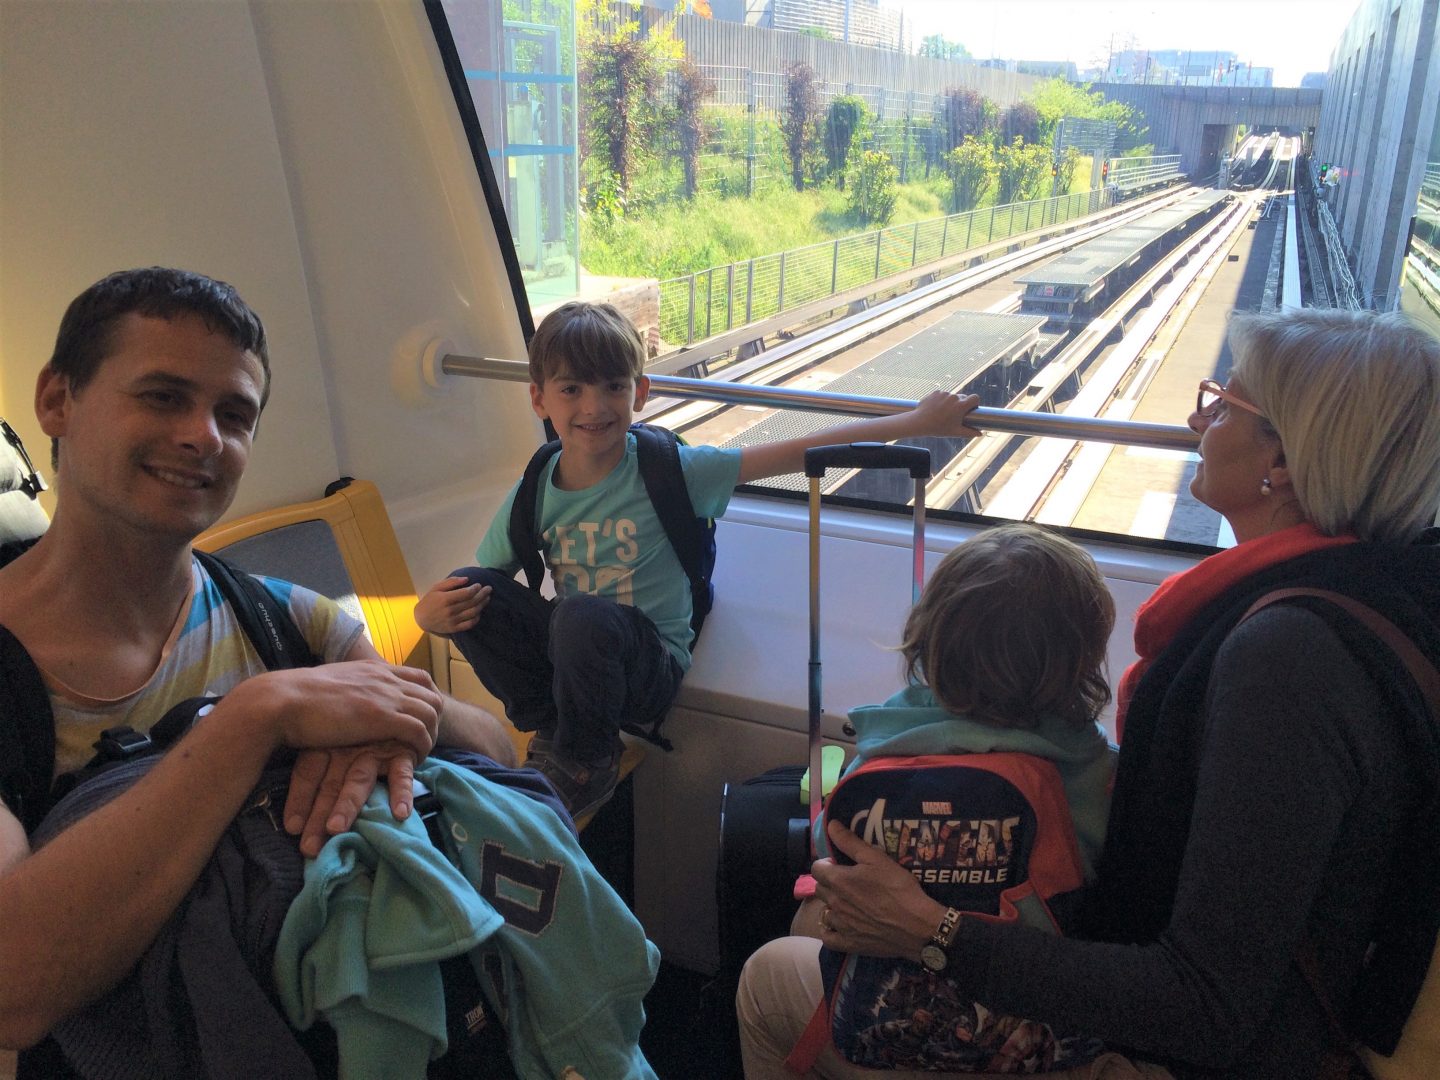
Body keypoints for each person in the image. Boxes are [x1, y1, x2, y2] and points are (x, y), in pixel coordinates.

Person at [738, 307, 1440, 1078]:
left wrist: (933, 932)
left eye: (1223, 406)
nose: (1198, 420)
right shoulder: (1374, 595)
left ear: (1283, 462)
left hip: (1194, 1057)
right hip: (1211, 1010)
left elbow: (1205, 1003)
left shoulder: (1288, 661)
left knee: (773, 975)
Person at [0, 267, 517, 1061]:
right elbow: (15, 983)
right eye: (163, 396)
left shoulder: (283, 616)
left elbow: (498, 751)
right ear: (57, 401)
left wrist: (394, 722)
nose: (204, 435)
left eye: (233, 415)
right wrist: (256, 717)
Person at [415, 300, 981, 818]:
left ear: (639, 393)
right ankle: (554, 728)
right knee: (470, 588)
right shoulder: (538, 486)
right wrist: (428, 617)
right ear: (539, 397)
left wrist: (916, 423)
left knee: (581, 615)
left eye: (613, 387)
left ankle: (586, 761)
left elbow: (799, 451)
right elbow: (488, 583)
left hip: (645, 667)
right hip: (577, 661)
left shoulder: (672, 470)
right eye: (571, 390)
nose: (594, 407)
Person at [776, 524, 1118, 1076]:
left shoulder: (891, 744)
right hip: (1035, 1034)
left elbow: (830, 848)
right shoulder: (1089, 766)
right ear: (1080, 660)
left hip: (886, 1018)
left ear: (928, 641)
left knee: (788, 943)